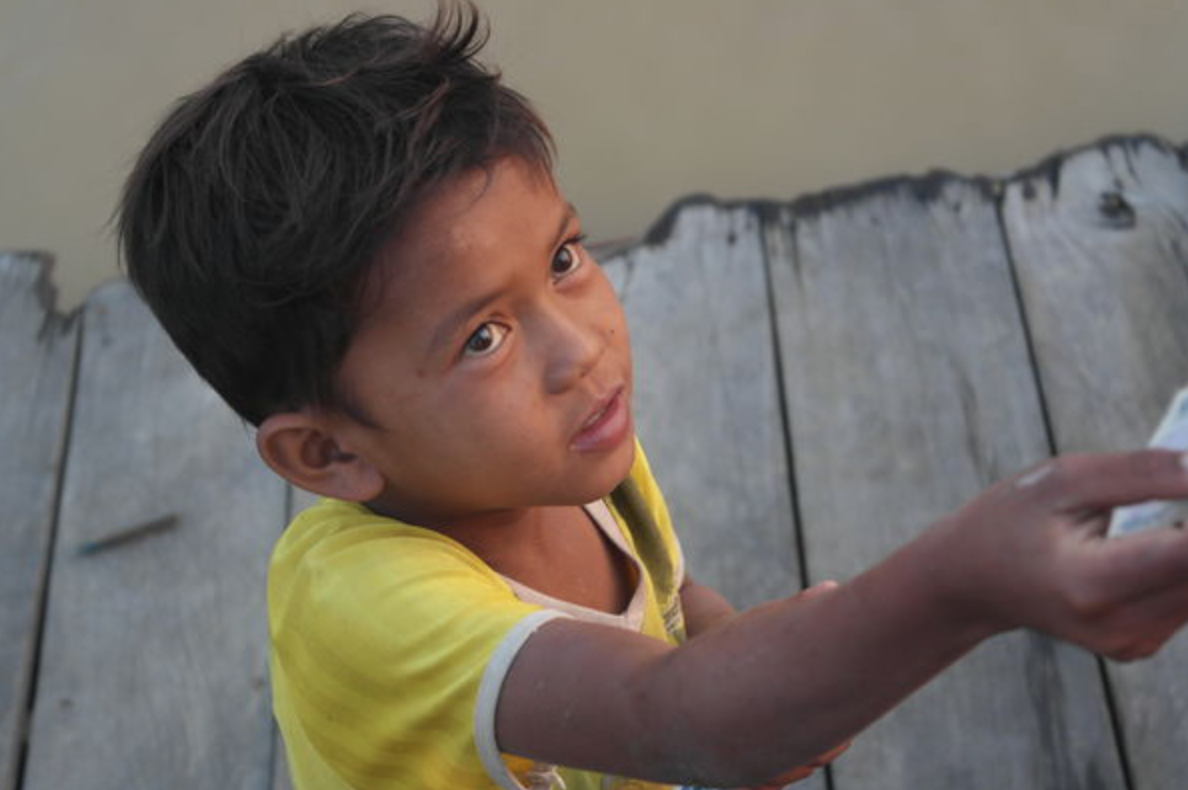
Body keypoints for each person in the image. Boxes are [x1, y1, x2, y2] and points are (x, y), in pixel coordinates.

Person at [117, 3, 1188, 789]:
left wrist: (752, 656)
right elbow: (673, 716)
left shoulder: (561, 450)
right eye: (483, 337)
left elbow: (670, 614)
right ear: (327, 455)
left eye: (565, 258)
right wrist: (963, 585)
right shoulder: (364, 608)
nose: (580, 347)